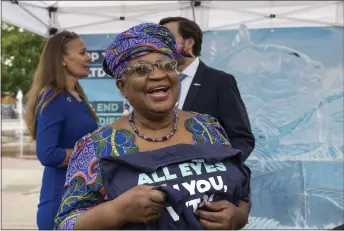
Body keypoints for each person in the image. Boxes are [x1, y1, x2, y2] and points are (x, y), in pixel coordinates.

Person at [54, 23, 251, 230]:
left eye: (166, 65)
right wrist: (115, 211)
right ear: (122, 86)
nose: (158, 75)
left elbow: (242, 188)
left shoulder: (207, 128)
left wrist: (239, 216)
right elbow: (65, 224)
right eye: (141, 69)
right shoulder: (96, 146)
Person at [24, 30, 99, 230]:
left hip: (84, 201)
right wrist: (91, 153)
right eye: (82, 52)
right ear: (63, 59)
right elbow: (47, 154)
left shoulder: (77, 96)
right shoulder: (52, 97)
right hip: (61, 204)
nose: (89, 57)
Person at [159, 17, 255, 161]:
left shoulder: (220, 82)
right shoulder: (157, 83)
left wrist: (225, 168)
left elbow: (241, 138)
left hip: (205, 178)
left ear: (189, 42)